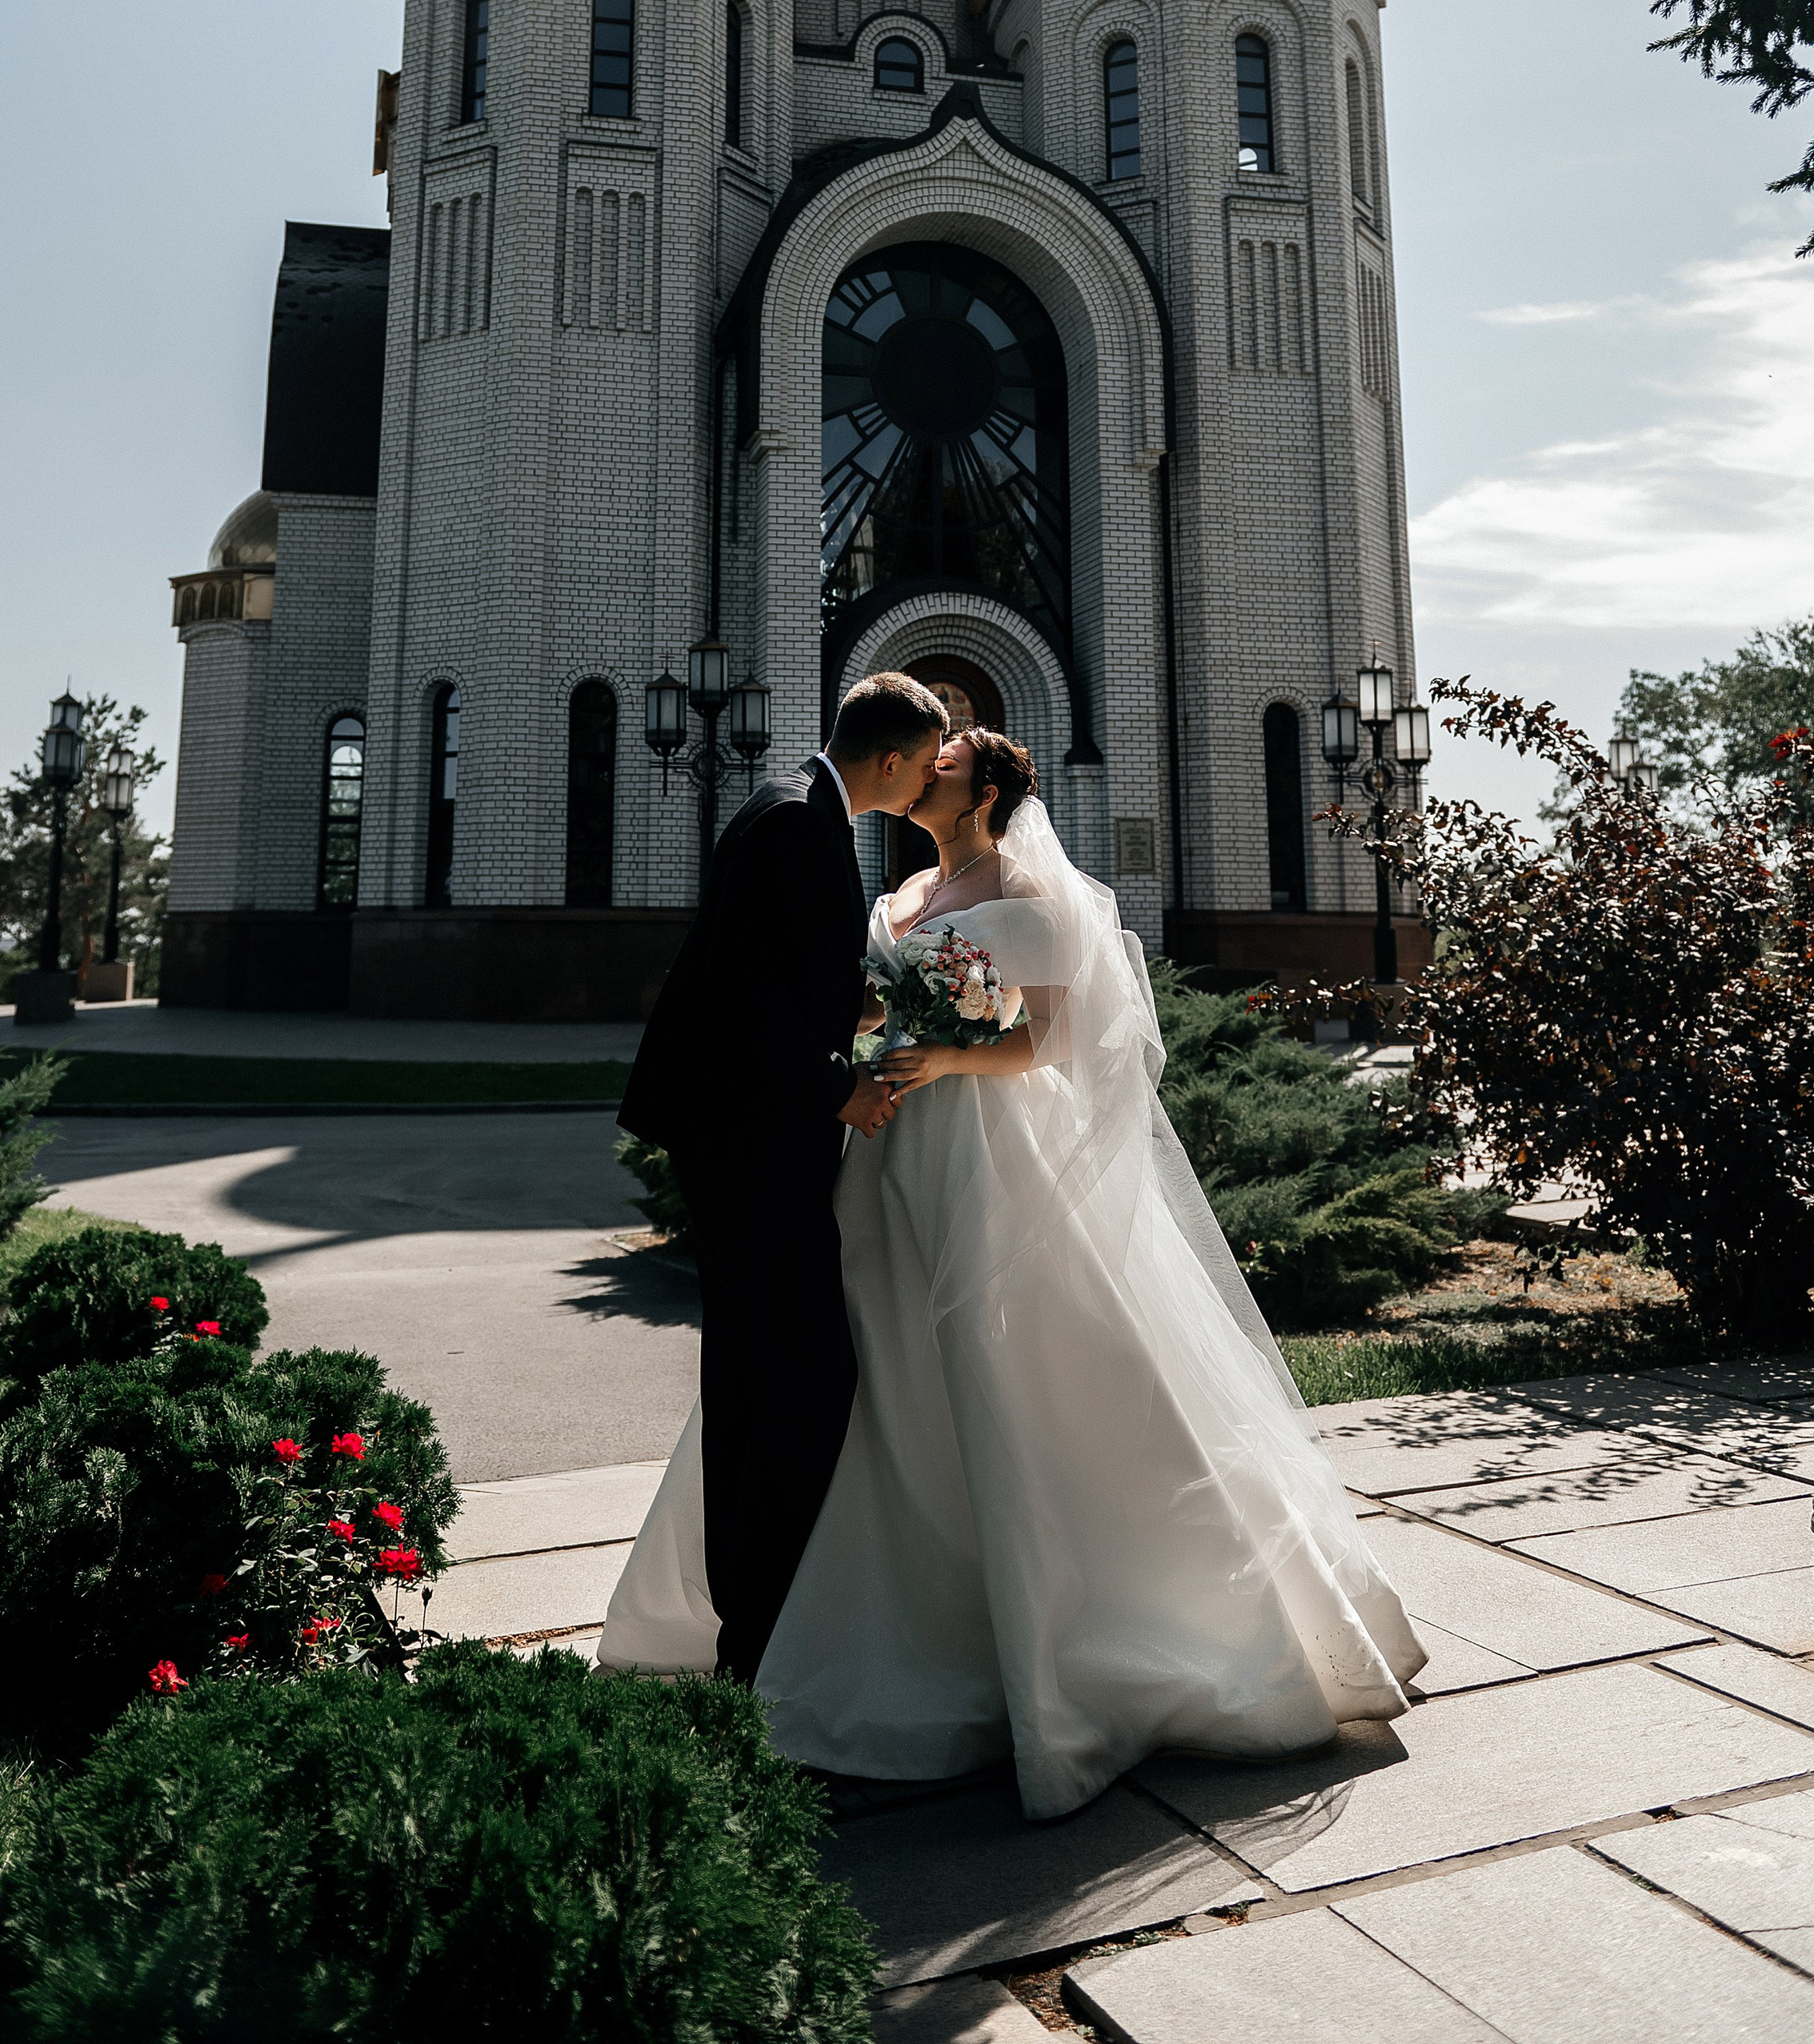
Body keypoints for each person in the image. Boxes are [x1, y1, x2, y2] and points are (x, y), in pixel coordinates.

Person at [603, 728, 1428, 1818]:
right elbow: (849, 1001)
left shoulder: (1036, 893)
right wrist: (849, 1050)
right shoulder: (901, 894)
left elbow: (1048, 1041)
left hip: (988, 1153)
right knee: (866, 1361)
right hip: (890, 1155)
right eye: (921, 759)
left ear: (983, 791)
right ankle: (829, 1623)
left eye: (942, 767)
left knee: (1012, 1362)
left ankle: (1096, 1642)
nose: (922, 776)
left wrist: (944, 1053)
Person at [615, 671, 945, 1681]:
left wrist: (838, 1009)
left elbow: (767, 968)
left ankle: (755, 1623)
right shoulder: (801, 822)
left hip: (743, 1134)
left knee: (761, 1374)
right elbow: (744, 993)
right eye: (927, 762)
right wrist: (831, 1086)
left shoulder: (788, 805)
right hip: (748, 1141)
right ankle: (756, 1632)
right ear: (890, 760)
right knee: (795, 1380)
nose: (929, 780)